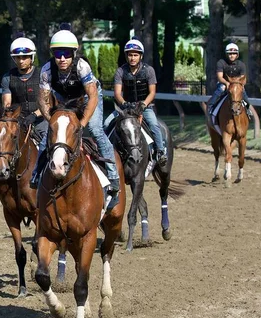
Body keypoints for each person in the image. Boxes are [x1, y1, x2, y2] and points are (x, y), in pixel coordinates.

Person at [31, 24, 120, 208]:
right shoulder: (47, 70)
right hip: (65, 99)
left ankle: (113, 175)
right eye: (57, 54)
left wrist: (82, 122)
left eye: (66, 53)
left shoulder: (82, 66)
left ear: (74, 53)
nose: (62, 58)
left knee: (95, 130)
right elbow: (43, 101)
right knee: (50, 134)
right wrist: (52, 122)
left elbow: (93, 96)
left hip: (88, 97)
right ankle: (37, 174)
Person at [0, 36, 47, 197]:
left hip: (41, 118)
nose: (21, 61)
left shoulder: (42, 75)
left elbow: (47, 102)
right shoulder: (7, 78)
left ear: (31, 57)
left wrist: (35, 115)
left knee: (51, 144)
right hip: (17, 119)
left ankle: (49, 180)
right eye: (18, 58)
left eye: (25, 57)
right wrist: (8, 116)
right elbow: (7, 102)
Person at [113, 37, 167, 167]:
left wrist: (143, 105)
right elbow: (117, 93)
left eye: (135, 55)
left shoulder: (149, 70)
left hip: (145, 106)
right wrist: (125, 104)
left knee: (154, 125)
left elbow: (152, 92)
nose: (132, 58)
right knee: (106, 124)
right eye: (130, 55)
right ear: (126, 56)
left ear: (140, 56)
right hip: (126, 107)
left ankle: (160, 151)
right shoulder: (120, 71)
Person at [207, 42, 251, 119]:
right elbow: (220, 77)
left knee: (242, 91)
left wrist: (239, 84)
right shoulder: (221, 62)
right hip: (224, 83)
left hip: (237, 84)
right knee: (221, 89)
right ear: (226, 54)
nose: (232, 55)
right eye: (230, 53)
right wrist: (227, 83)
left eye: (234, 53)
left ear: (237, 55)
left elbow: (243, 78)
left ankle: (248, 108)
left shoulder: (241, 65)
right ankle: (210, 107)